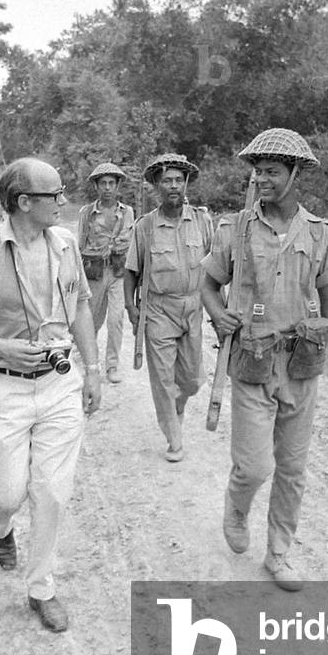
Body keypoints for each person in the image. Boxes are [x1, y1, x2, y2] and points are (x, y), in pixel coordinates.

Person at [0, 157, 102, 633]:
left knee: (51, 490)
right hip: (4, 386)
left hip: (59, 385)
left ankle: (41, 587)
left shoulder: (66, 244)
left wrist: (91, 372)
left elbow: (83, 306)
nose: (64, 202)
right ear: (24, 202)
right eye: (55, 195)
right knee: (7, 491)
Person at [200, 128, 328, 591]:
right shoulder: (236, 228)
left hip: (303, 366)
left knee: (292, 469)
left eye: (271, 172)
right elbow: (208, 284)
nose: (261, 179)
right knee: (254, 467)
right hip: (252, 362)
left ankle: (279, 554)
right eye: (257, 171)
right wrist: (218, 313)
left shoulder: (319, 233)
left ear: (295, 174)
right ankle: (237, 505)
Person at [123, 153, 212, 462]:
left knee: (190, 380)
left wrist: (220, 308)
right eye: (167, 181)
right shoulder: (145, 226)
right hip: (158, 310)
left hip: (193, 307)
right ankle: (174, 438)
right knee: (163, 379)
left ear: (186, 184)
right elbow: (131, 271)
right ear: (156, 187)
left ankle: (179, 404)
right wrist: (130, 308)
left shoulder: (202, 220)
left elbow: (216, 268)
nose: (174, 186)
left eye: (179, 180)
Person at [77, 162, 135, 384]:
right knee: (92, 320)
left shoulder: (128, 212)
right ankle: (90, 364)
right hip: (95, 273)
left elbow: (133, 246)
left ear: (118, 185)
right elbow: (79, 245)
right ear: (96, 187)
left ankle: (112, 366)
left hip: (119, 273)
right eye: (103, 183)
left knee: (116, 319)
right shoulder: (86, 213)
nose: (108, 188)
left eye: (112, 183)